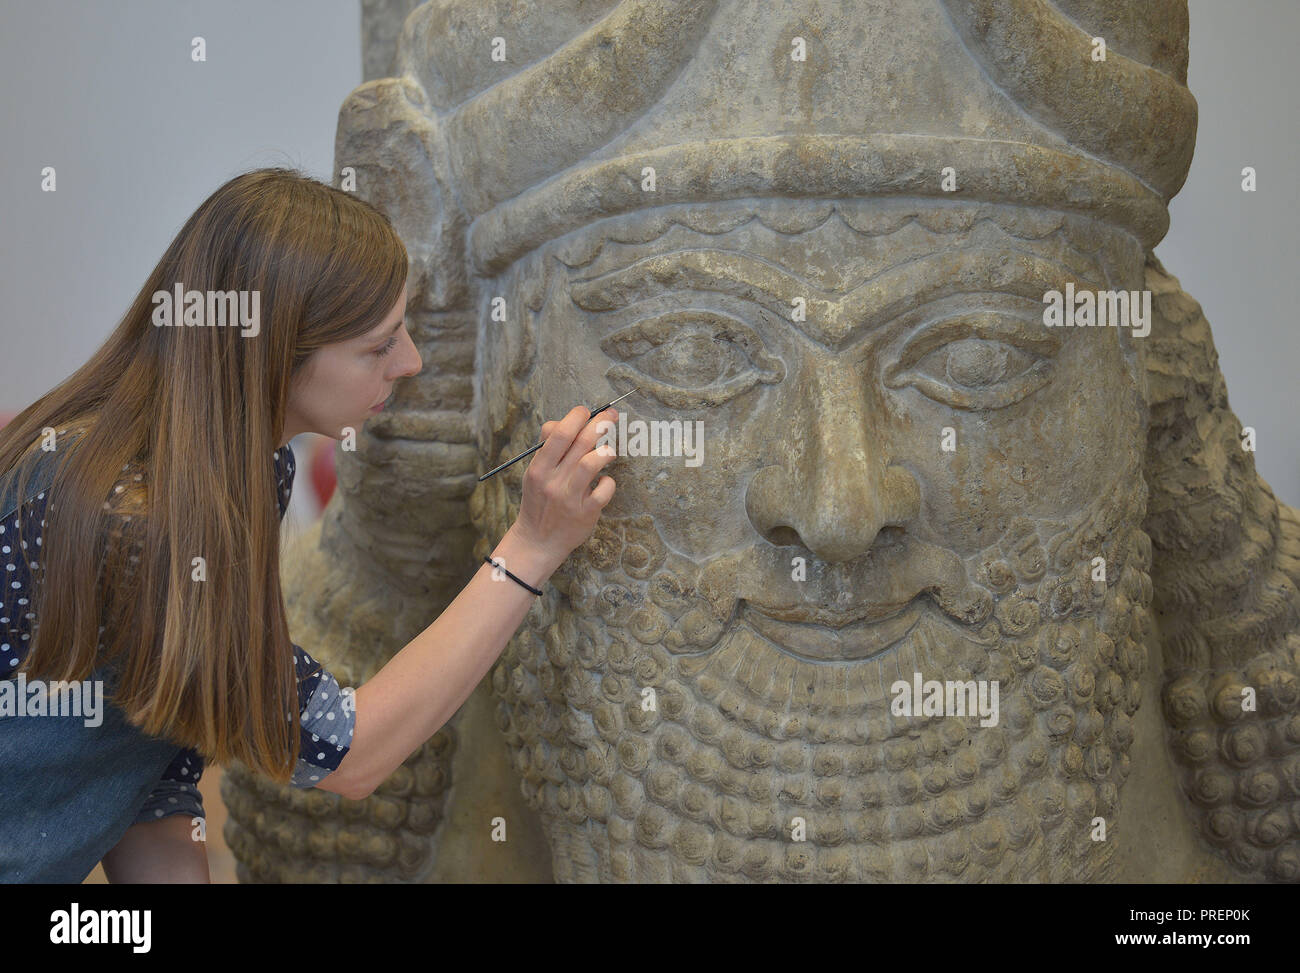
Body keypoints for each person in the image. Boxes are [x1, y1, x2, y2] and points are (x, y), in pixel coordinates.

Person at [0, 167, 617, 882]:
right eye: (378, 346)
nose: (410, 361)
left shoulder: (242, 469)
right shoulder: (138, 522)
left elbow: (150, 740)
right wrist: (534, 545)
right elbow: (350, 751)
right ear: (274, 355)